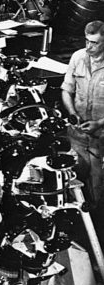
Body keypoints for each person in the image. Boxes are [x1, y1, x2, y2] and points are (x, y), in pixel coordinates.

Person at [62, 20, 104, 206]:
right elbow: (67, 90)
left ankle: (96, 217)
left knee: (97, 181)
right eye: (87, 40)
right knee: (73, 177)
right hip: (77, 134)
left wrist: (99, 123)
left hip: (100, 136)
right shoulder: (77, 57)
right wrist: (72, 112)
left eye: (95, 43)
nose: (89, 46)